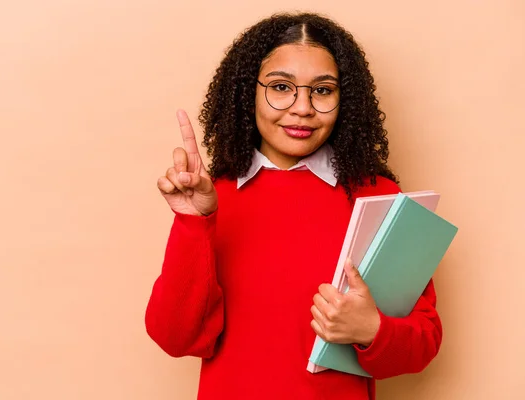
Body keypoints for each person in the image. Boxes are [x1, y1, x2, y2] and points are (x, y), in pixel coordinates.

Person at [145, 12, 442, 400]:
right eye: (281, 87)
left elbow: (424, 340)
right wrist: (193, 223)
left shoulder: (379, 196)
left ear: (344, 100)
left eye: (322, 90)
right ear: (246, 93)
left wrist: (372, 330)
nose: (302, 107)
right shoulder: (213, 198)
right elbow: (175, 338)